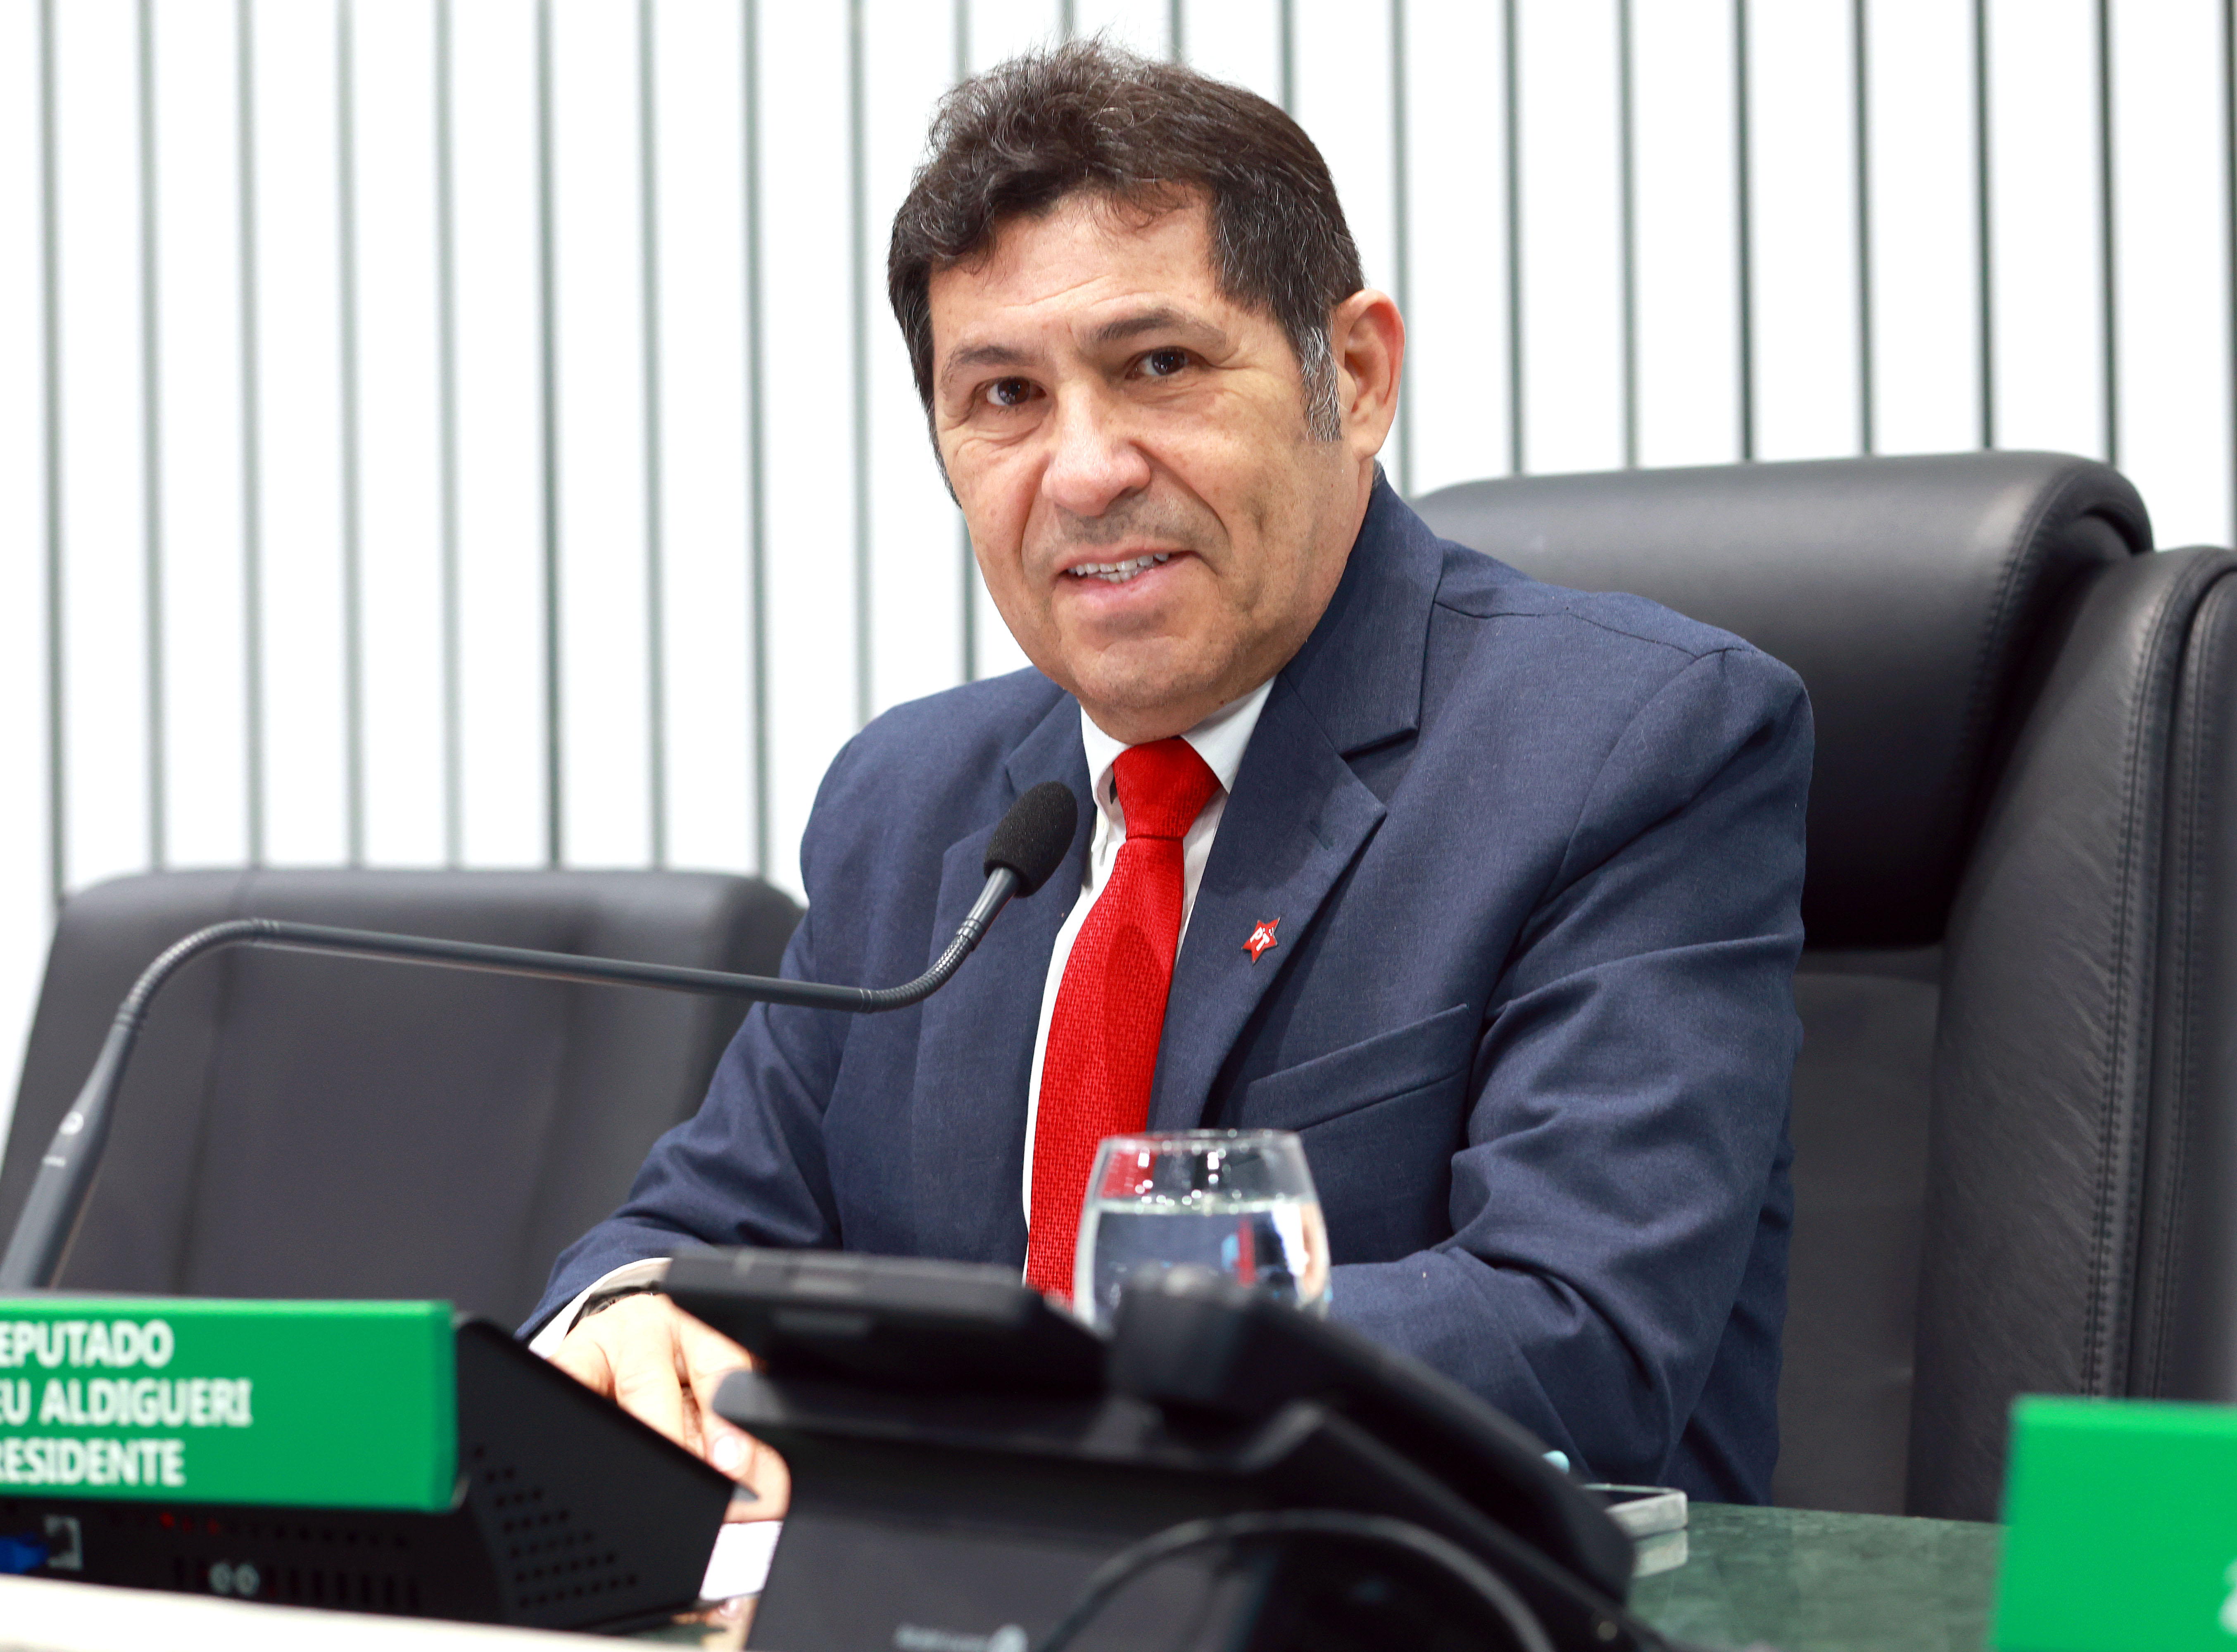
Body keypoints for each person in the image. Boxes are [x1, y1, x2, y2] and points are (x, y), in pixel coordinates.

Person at [524, 41, 1809, 1518]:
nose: (1084, 472)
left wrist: (1011, 1393)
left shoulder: (1627, 745)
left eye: (1159, 367)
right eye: (1005, 394)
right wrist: (623, 1317)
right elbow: (692, 1228)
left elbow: (1573, 1335)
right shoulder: (912, 801)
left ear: (1356, 376)